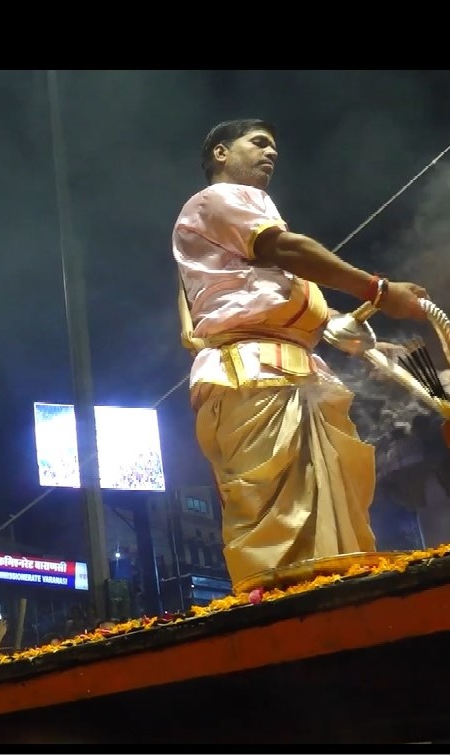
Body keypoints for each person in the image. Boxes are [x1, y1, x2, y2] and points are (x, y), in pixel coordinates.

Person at [173, 118, 429, 587]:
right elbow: (286, 249)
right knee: (278, 529)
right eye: (258, 143)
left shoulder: (250, 238)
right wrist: (380, 289)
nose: (271, 153)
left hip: (291, 370)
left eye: (274, 147)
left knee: (329, 525)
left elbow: (298, 307)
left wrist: (370, 342)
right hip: (252, 372)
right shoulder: (217, 201)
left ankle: (334, 611)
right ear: (220, 154)